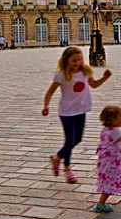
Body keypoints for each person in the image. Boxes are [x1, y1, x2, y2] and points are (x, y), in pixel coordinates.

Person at [42, 46, 112, 184]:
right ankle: (67, 169)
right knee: (69, 141)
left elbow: (94, 85)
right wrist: (46, 106)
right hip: (66, 112)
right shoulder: (61, 75)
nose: (77, 63)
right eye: (74, 60)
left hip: (81, 109)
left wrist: (104, 78)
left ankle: (57, 157)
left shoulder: (85, 71)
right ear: (66, 60)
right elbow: (50, 92)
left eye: (80, 59)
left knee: (77, 139)